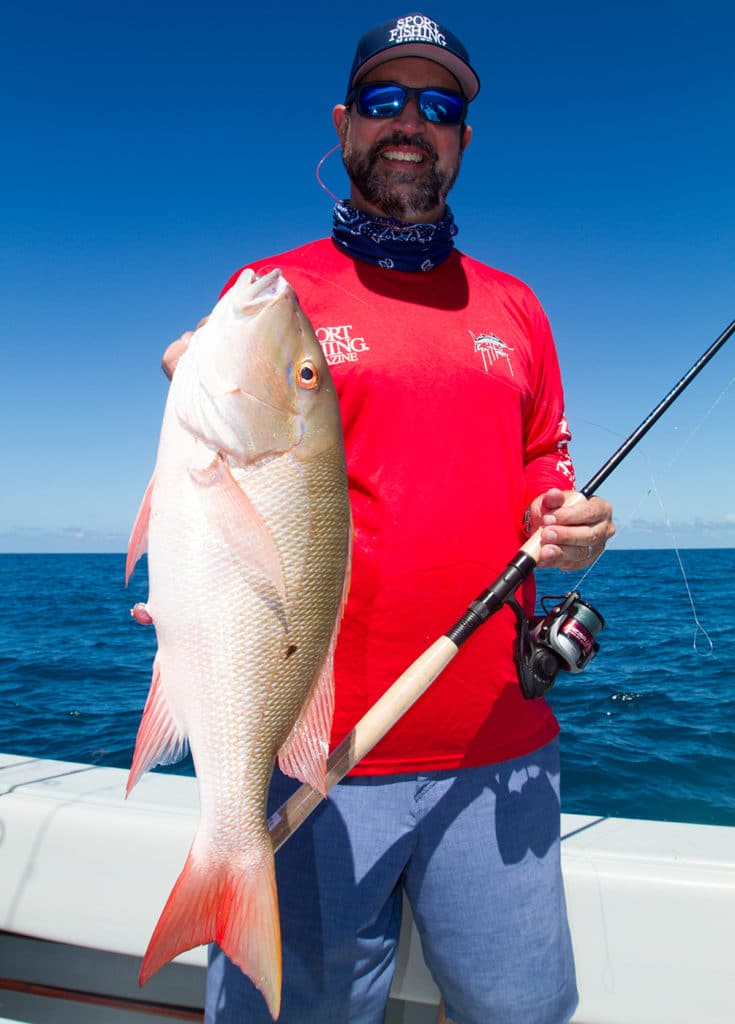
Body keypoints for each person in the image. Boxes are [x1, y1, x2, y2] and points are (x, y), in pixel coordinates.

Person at [164, 13, 615, 1024]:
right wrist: (193, 388)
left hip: (500, 754)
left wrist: (569, 513)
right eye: (385, 101)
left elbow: (547, 462)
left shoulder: (518, 309)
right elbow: (211, 492)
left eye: (440, 106)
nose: (411, 122)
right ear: (344, 122)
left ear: (463, 137)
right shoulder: (270, 295)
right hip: (312, 761)